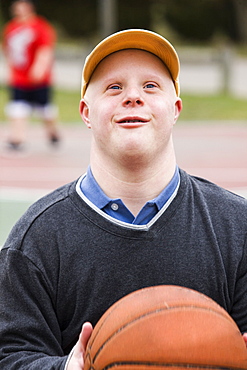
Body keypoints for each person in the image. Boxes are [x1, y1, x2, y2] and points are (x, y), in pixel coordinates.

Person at [0, 29, 247, 369]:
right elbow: (11, 356)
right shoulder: (36, 240)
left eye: (150, 86)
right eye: (114, 87)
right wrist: (68, 367)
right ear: (86, 113)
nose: (133, 97)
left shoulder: (237, 228)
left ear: (175, 108)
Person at [2, 0, 60, 150]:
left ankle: (53, 133)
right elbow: (7, 51)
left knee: (45, 110)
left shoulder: (40, 26)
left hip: (38, 78)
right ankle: (17, 139)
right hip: (19, 78)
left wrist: (40, 67)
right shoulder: (11, 28)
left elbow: (45, 49)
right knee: (17, 107)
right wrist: (10, 71)